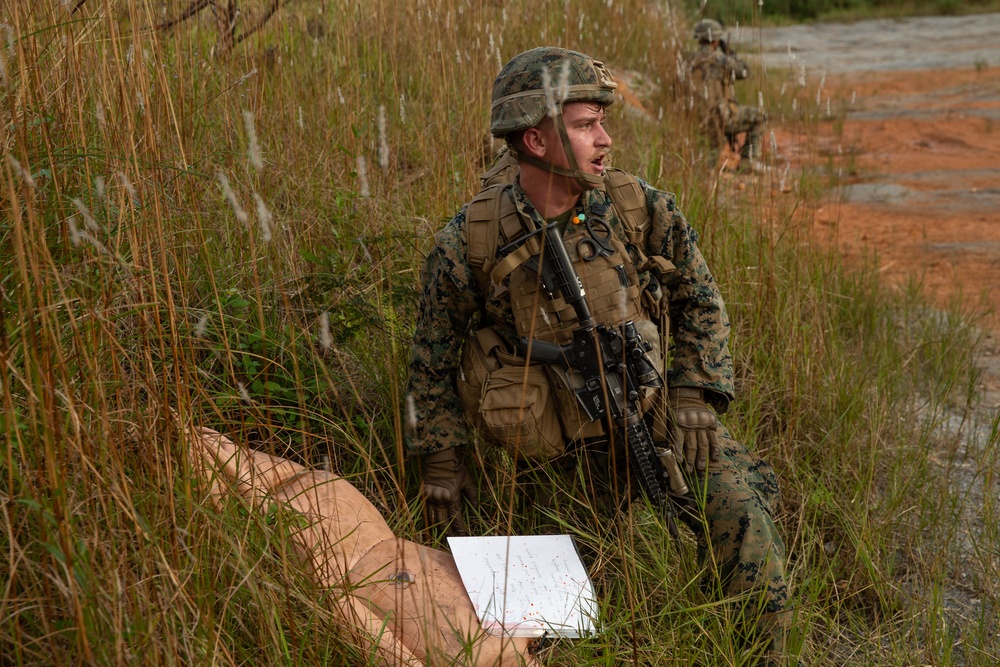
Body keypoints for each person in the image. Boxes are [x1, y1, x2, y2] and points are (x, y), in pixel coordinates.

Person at [405, 47, 791, 664]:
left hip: (654, 412)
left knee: (744, 513)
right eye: (586, 125)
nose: (605, 139)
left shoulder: (638, 207)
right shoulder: (469, 241)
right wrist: (444, 461)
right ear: (534, 137)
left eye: (602, 122)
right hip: (547, 451)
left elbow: (701, 297)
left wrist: (692, 394)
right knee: (554, 617)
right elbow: (430, 358)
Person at [183, 421, 540, 667]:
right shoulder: (531, 621)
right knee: (222, 454)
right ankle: (167, 431)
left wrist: (327, 583)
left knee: (212, 475)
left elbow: (354, 619)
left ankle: (158, 439)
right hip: (361, 519)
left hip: (330, 553)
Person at [687, 18, 767, 170]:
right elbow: (745, 71)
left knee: (707, 160)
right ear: (716, 41)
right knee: (760, 116)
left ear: (699, 39)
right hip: (718, 117)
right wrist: (730, 53)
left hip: (692, 117)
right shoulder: (720, 59)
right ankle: (747, 163)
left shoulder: (687, 59)